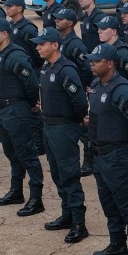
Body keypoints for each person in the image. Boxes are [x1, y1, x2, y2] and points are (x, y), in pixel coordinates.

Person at [85, 42, 128, 255]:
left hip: (119, 155)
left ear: (110, 63)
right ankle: (117, 243)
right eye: (91, 60)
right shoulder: (96, 85)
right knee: (109, 203)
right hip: (101, 155)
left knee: (127, 204)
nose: (92, 64)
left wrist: (116, 133)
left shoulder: (122, 89)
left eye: (97, 61)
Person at [35, 27, 90, 241]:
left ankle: (79, 222)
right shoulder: (48, 67)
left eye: (42, 44)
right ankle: (67, 214)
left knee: (69, 175)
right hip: (49, 127)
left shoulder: (66, 69)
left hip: (63, 128)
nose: (38, 47)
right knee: (58, 174)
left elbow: (79, 102)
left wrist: (74, 121)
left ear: (55, 45)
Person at [0, 22, 45, 212]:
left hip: (16, 110)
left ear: (4, 34)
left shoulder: (16, 55)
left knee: (27, 154)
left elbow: (32, 84)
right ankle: (16, 191)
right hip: (2, 110)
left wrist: (29, 103)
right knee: (12, 153)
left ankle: (36, 198)